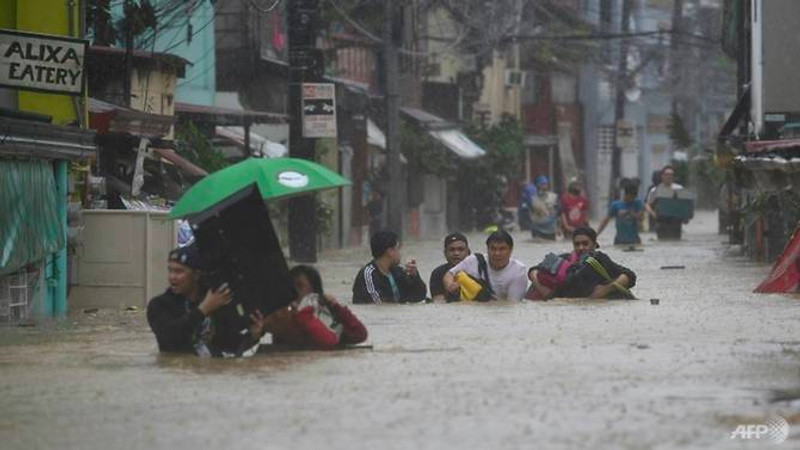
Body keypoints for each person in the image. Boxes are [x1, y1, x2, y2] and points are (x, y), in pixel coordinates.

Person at [147, 244, 267, 357]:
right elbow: (169, 337)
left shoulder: (217, 302)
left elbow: (230, 346)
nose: (172, 277)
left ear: (196, 275)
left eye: (179, 271)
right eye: (170, 270)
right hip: (179, 373)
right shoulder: (159, 305)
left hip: (211, 372)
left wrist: (253, 336)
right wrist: (203, 309)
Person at [265, 265, 368, 348]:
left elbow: (359, 334)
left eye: (300, 286)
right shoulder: (281, 314)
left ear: (314, 290)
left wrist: (336, 307)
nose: (294, 291)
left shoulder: (325, 314)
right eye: (290, 286)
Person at [527, 227, 636, 300]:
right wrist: (543, 290)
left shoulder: (599, 259)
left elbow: (629, 275)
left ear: (594, 245)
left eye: (585, 244)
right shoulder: (565, 259)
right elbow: (534, 271)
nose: (581, 247)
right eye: (577, 244)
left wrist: (604, 290)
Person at [443, 230, 528, 301]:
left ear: (511, 250)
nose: (497, 253)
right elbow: (449, 274)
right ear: (487, 249)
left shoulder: (518, 271)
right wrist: (450, 285)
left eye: (502, 249)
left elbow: (511, 305)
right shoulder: (474, 260)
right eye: (493, 248)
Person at [352, 231, 427, 304]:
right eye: (398, 248)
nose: (400, 253)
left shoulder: (398, 272)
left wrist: (414, 276)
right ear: (390, 252)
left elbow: (419, 297)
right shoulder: (368, 274)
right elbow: (377, 303)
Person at [645, 165, 685, 240]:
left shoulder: (679, 188)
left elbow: (684, 204)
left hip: (676, 222)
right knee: (662, 240)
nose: (669, 177)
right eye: (666, 174)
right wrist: (653, 214)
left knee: (676, 241)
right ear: (662, 176)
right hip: (661, 221)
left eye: (671, 175)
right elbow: (647, 204)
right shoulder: (655, 190)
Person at [429, 233, 471, 302]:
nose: (456, 253)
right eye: (452, 250)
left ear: (468, 252)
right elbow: (438, 302)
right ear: (445, 253)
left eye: (460, 249)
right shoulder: (438, 273)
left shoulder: (477, 270)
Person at [529, 175, 559, 240]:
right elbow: (530, 213)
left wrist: (558, 228)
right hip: (537, 228)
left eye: (545, 184)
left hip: (550, 228)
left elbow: (558, 212)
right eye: (542, 184)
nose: (544, 186)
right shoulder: (532, 199)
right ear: (537, 185)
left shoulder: (553, 197)